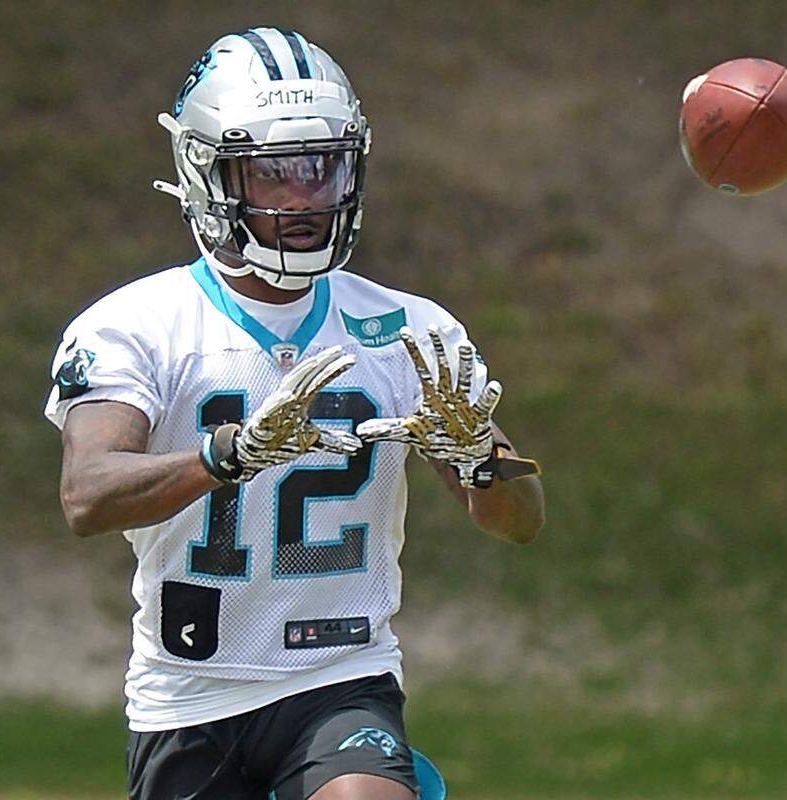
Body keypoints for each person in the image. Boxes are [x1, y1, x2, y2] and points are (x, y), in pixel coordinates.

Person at [45, 26, 545, 800]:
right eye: (273, 173)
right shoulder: (137, 324)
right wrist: (229, 454)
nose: (306, 196)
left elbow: (519, 519)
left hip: (343, 677)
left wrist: (482, 457)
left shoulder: (410, 331)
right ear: (208, 175)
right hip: (191, 694)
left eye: (323, 167)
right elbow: (87, 495)